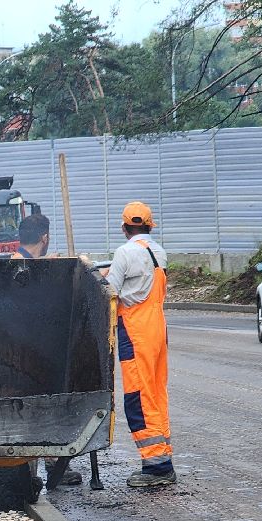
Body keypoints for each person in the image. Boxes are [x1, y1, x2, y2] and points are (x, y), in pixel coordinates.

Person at [10, 213, 83, 488]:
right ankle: (49, 467)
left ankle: (37, 468)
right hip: (30, 352)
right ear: (45, 237)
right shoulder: (25, 268)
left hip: (21, 350)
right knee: (40, 409)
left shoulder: (17, 264)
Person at [107, 201, 175, 488]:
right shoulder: (158, 251)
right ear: (149, 226)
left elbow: (111, 291)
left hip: (135, 330)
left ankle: (157, 466)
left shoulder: (124, 252)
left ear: (124, 228)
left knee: (138, 397)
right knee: (156, 394)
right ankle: (163, 458)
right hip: (157, 328)